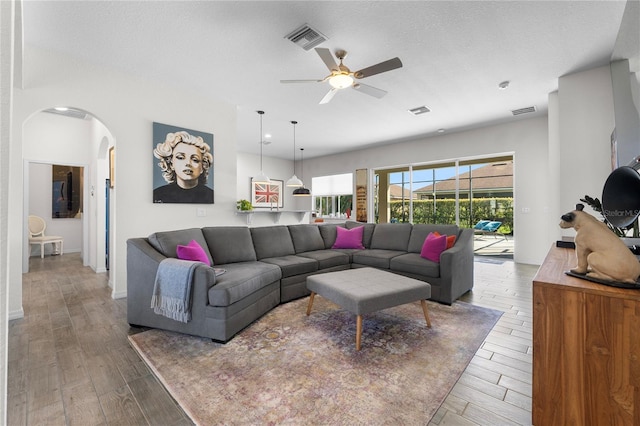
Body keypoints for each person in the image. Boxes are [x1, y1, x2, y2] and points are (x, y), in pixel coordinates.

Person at [153, 130, 214, 203]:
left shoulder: (211, 196)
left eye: (195, 159)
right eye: (181, 157)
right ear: (171, 164)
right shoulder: (158, 195)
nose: (188, 163)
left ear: (202, 167)